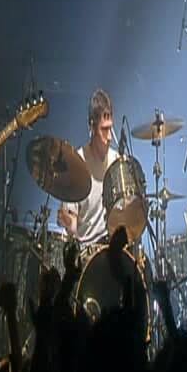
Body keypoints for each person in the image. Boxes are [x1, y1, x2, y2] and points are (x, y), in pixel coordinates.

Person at [57, 88, 118, 250]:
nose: (110, 137)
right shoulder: (76, 164)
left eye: (111, 129)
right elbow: (74, 227)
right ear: (91, 127)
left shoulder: (116, 161)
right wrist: (68, 220)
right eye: (104, 130)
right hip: (87, 254)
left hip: (112, 251)